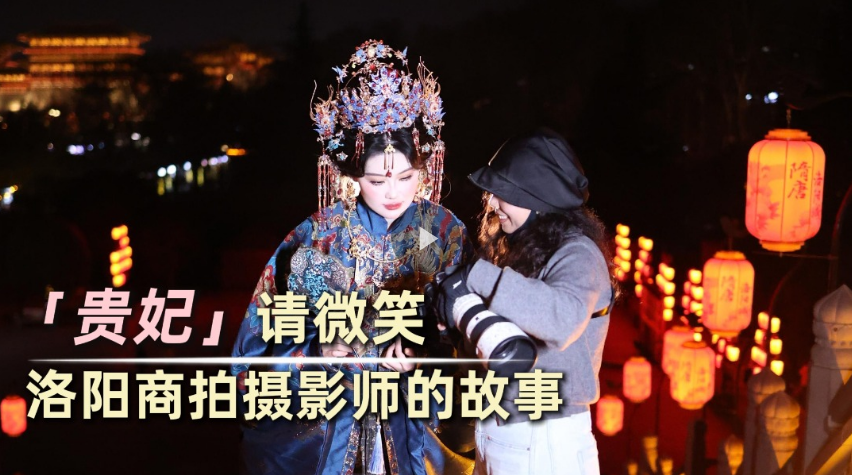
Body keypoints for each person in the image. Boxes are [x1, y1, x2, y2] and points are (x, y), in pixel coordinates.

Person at [231, 40, 473, 475]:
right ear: (351, 175)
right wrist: (316, 349)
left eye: (406, 177)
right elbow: (258, 340)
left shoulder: (443, 232)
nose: (394, 192)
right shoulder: (318, 237)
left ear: (424, 170)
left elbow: (472, 334)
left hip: (417, 416)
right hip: (329, 419)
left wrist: (423, 354)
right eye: (377, 180)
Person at [435, 128, 615, 475]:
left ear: (537, 195)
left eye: (503, 193)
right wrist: (455, 323)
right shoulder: (518, 250)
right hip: (499, 430)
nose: (491, 203)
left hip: (546, 437)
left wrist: (475, 275)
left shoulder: (579, 253)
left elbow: (561, 320)